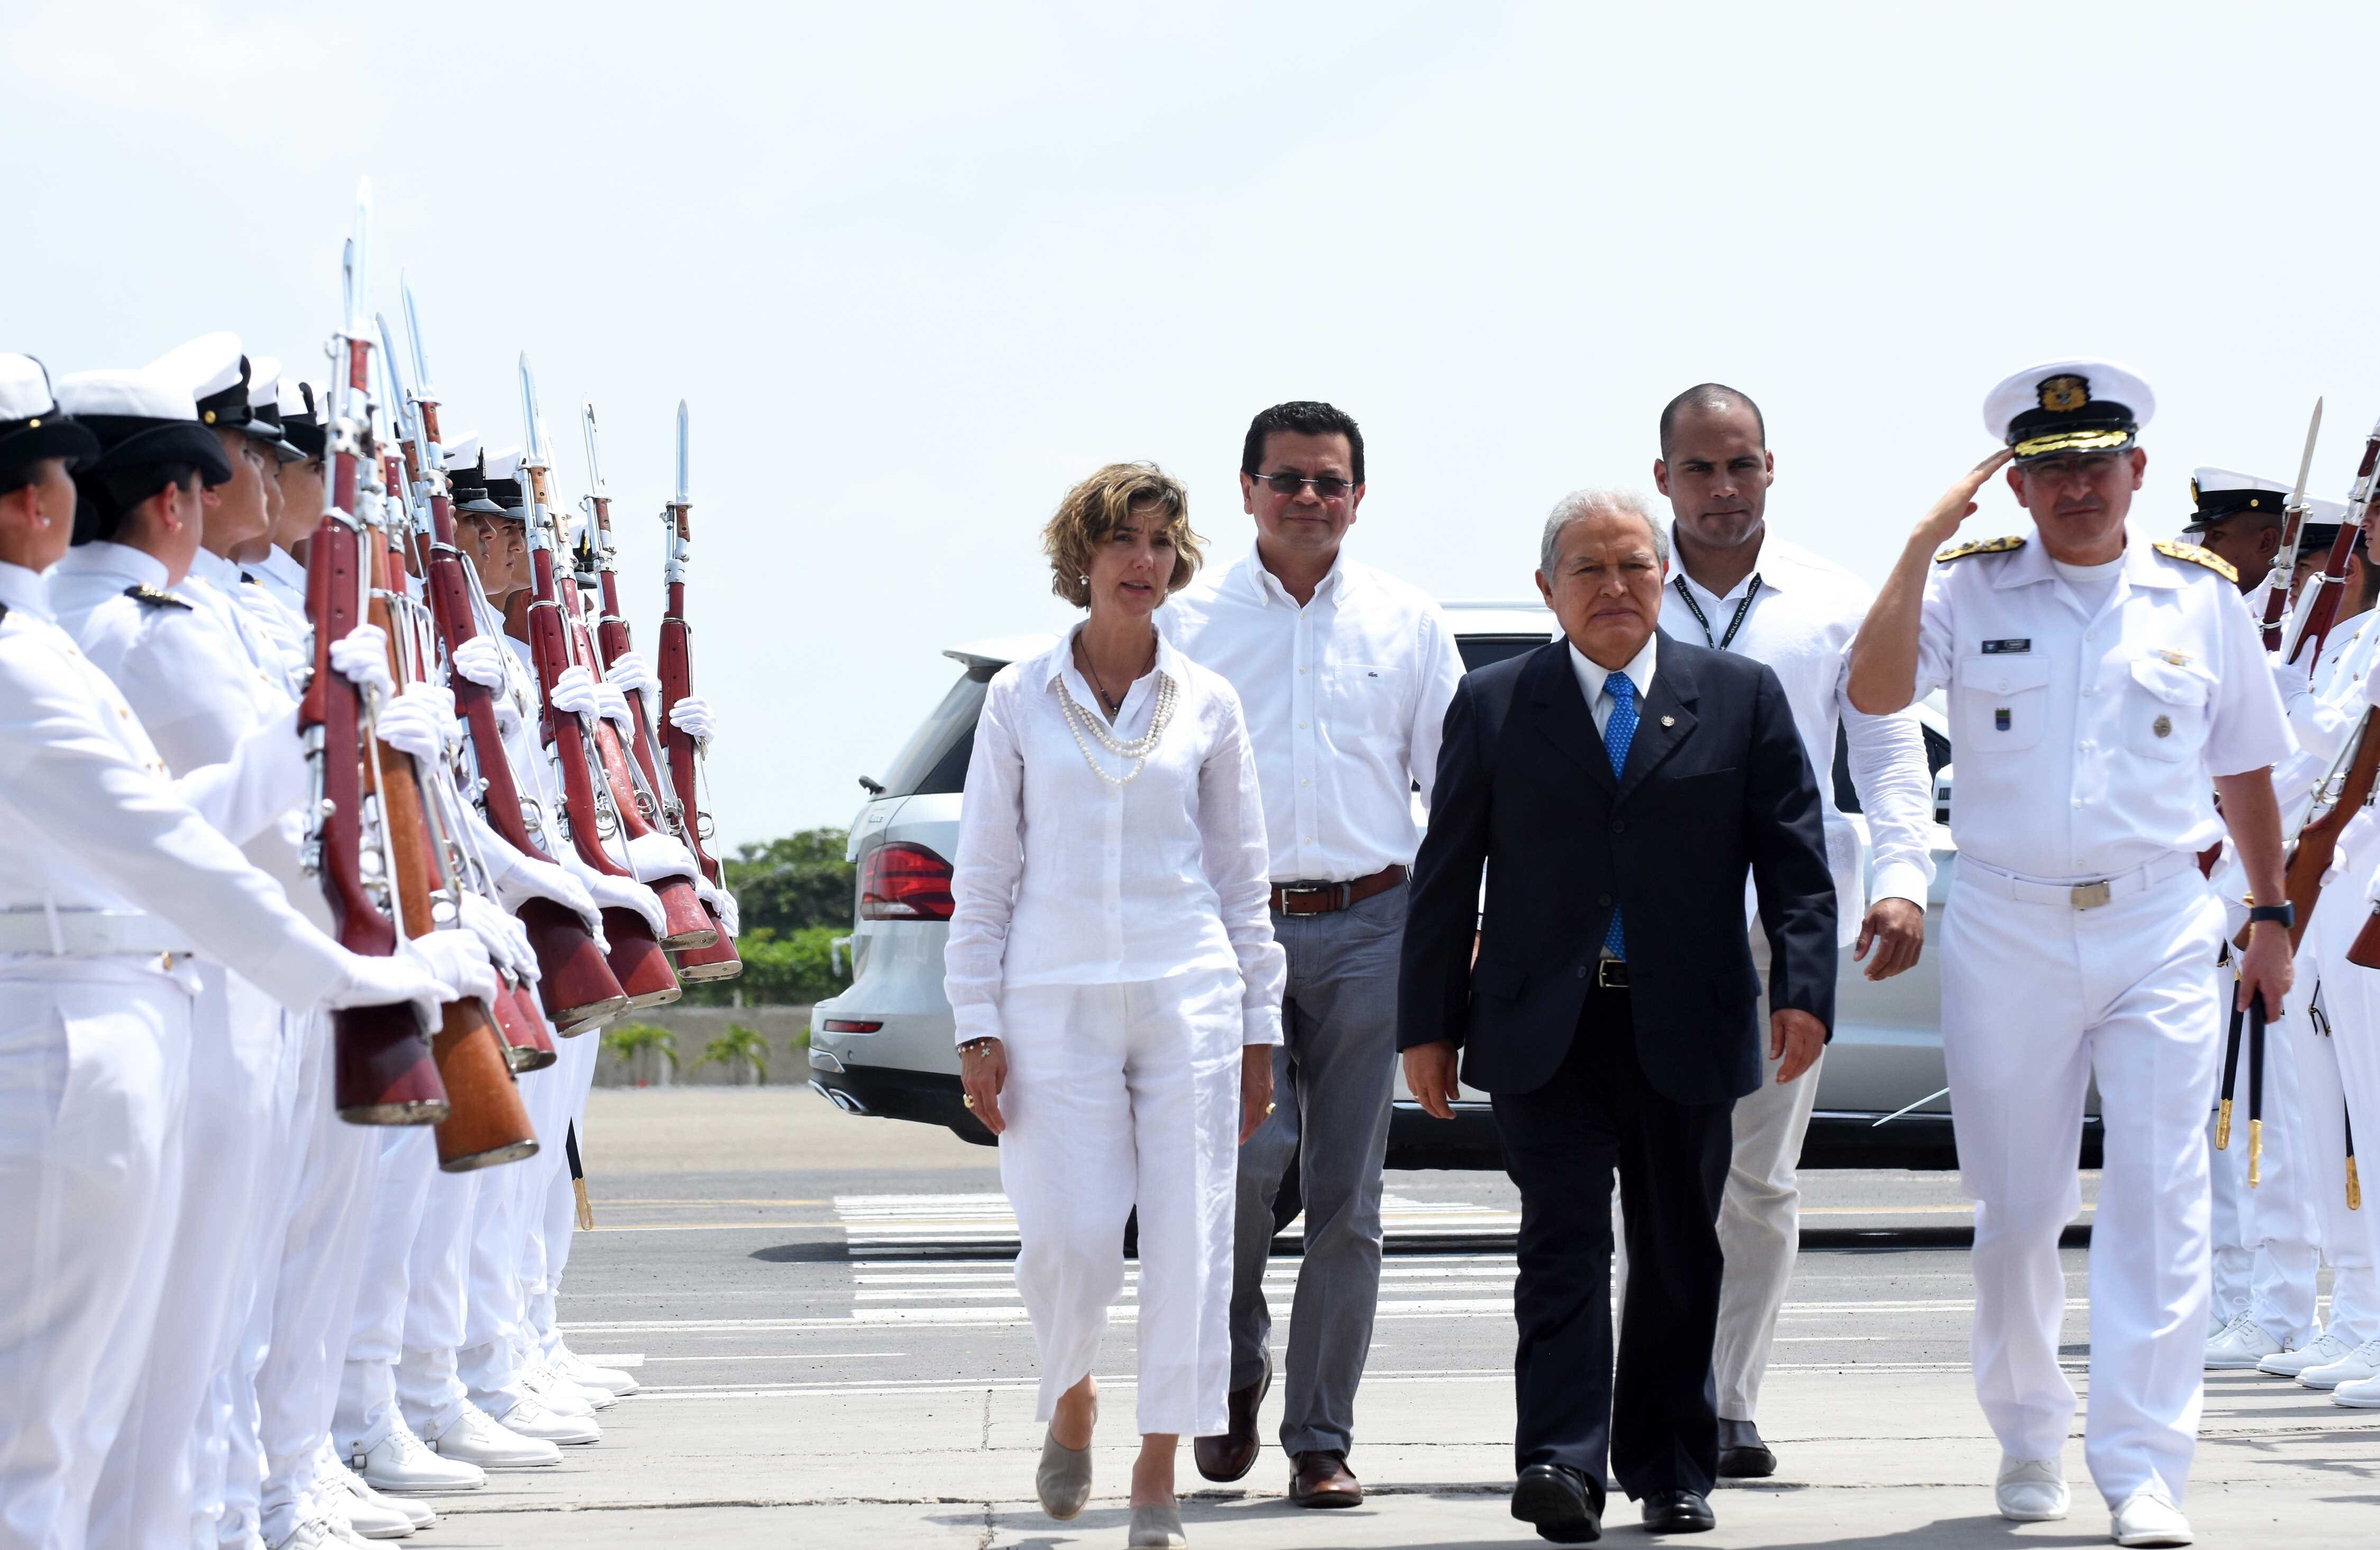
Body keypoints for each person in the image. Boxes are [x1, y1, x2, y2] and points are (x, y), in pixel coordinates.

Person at [0, 351, 481, 1549]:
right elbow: (172, 841)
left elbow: (186, 821)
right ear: (25, 497)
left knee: (122, 1381)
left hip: (130, 994)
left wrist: (312, 731)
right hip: (78, 1012)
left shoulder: (41, 637)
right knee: (62, 1413)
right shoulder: (36, 652)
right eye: (55, 465)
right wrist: (350, 975)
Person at [1845, 359, 2295, 1548]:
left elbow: (2245, 762)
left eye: (2098, 465)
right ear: (2020, 491)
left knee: (2159, 1196)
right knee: (2016, 1206)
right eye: (2051, 472)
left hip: (2158, 920)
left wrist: (2272, 910)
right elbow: (1876, 689)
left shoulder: (2201, 599)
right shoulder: (1969, 587)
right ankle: (2030, 1429)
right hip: (2008, 923)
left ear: (2137, 470)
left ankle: (2145, 1467)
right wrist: (1916, 542)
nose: (2078, 489)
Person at [1400, 488, 1837, 1542]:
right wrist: (1428, 1022)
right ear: (1547, 589)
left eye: (1635, 566)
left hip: (1687, 1020)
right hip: (1545, 1028)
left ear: (1664, 581)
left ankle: (1671, 1465)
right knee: (1560, 1246)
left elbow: (1795, 863)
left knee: (1680, 1249)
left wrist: (1805, 995)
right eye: (1589, 569)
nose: (1614, 587)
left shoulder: (1739, 696)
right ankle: (1561, 1459)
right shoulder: (1498, 704)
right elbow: (1447, 871)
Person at [944, 462, 1283, 1550]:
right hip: (1049, 1000)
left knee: (1190, 1239)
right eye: (1122, 543)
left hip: (1191, 994)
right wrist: (974, 1021)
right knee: (1070, 1237)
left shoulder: (1209, 700)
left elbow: (1242, 880)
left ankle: (1154, 1471)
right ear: (1081, 559)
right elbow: (985, 875)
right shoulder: (1016, 697)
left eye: (1160, 543)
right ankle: (1074, 1389)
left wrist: (1260, 1028)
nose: (1144, 563)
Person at [1160, 400, 1463, 1506]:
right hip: (1228, 931)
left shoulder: (1408, 620)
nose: (1307, 499)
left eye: (1329, 482)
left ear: (1358, 497)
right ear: (1245, 491)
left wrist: (1456, 925)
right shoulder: (1186, 622)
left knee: (1350, 1191)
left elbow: (1453, 789)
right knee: (1241, 1168)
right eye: (1286, 479)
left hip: (1373, 922)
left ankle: (1321, 1436)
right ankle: (1233, 1371)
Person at [1649, 384, 1936, 1478]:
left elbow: (1889, 747)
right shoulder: (1625, 587)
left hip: (1784, 930)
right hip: (1652, 932)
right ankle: (1662, 1387)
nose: (1724, 490)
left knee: (1757, 1178)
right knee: (1662, 1171)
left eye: (1743, 467)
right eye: (1701, 469)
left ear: (1772, 469)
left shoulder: (1829, 600)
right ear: (1666, 475)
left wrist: (1903, 876)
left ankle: (1728, 1402)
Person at [2185, 471, 2339, 1373]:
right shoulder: (2252, 638)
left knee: (2274, 1125)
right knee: (2225, 1119)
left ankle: (2282, 1304)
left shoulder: (2321, 655)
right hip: (2223, 902)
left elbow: (2296, 779)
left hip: (2287, 902)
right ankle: (2238, 1294)